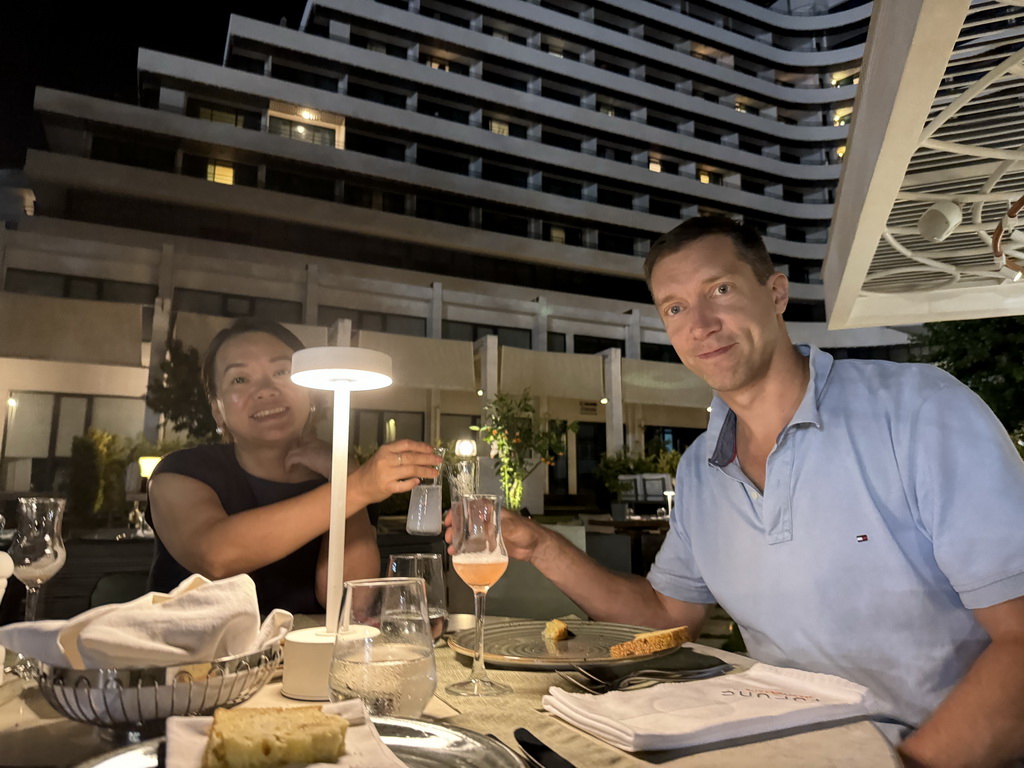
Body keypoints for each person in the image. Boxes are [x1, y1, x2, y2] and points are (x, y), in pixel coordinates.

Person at [458, 215, 1024, 767]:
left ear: (776, 293)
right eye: (675, 307)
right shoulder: (702, 469)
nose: (699, 323)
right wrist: (539, 547)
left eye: (720, 289)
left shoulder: (919, 412)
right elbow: (665, 620)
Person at [148, 317, 439, 615]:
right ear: (217, 409)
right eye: (239, 379)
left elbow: (352, 602)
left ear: (310, 392)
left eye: (282, 371)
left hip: (305, 659)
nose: (265, 389)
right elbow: (216, 555)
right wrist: (356, 485)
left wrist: (345, 471)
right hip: (198, 659)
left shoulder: (345, 484)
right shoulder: (181, 472)